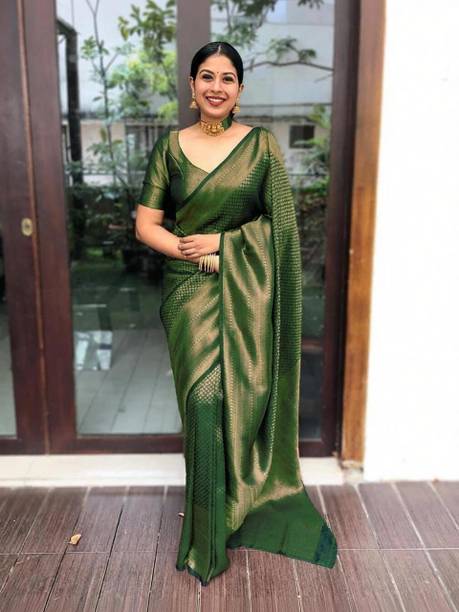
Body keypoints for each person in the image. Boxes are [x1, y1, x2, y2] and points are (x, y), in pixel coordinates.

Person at [135, 41, 337, 586]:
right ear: (192, 85)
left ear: (240, 89)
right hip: (188, 293)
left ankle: (235, 503)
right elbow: (147, 224)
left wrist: (225, 247)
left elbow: (283, 229)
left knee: (237, 399)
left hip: (245, 289)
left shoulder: (261, 146)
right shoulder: (170, 149)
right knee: (202, 402)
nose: (216, 87)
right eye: (207, 76)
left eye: (227, 78)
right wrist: (191, 253)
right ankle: (207, 531)